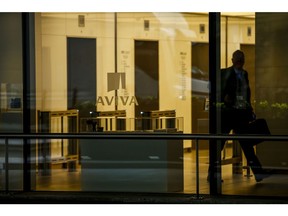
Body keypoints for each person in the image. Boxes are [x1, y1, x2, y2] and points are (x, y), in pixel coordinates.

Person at [208, 50, 271, 183]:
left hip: (240, 115)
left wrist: (249, 110)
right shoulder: (225, 74)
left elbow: (246, 94)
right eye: (238, 60)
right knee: (221, 145)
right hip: (228, 115)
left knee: (246, 144)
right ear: (233, 61)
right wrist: (226, 101)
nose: (240, 62)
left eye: (241, 60)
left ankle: (258, 173)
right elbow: (220, 93)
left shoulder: (244, 74)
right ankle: (212, 174)